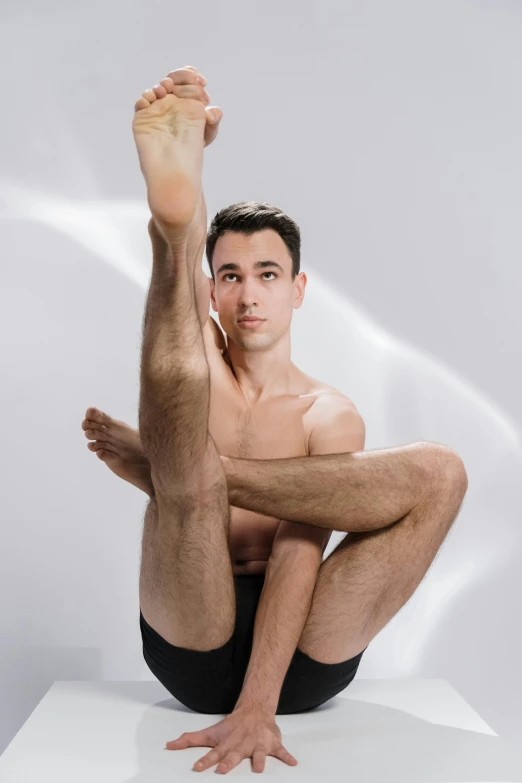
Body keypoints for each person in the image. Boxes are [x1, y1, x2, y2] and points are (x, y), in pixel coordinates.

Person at [81, 65, 468, 769]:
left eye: (266, 274)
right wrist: (185, 233)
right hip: (191, 638)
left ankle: (192, 464)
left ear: (298, 290)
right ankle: (176, 230)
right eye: (229, 275)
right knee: (184, 446)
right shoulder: (196, 353)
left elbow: (299, 552)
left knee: (442, 473)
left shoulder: (328, 412)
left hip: (303, 660)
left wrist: (258, 706)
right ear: (212, 291)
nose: (248, 294)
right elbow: (173, 369)